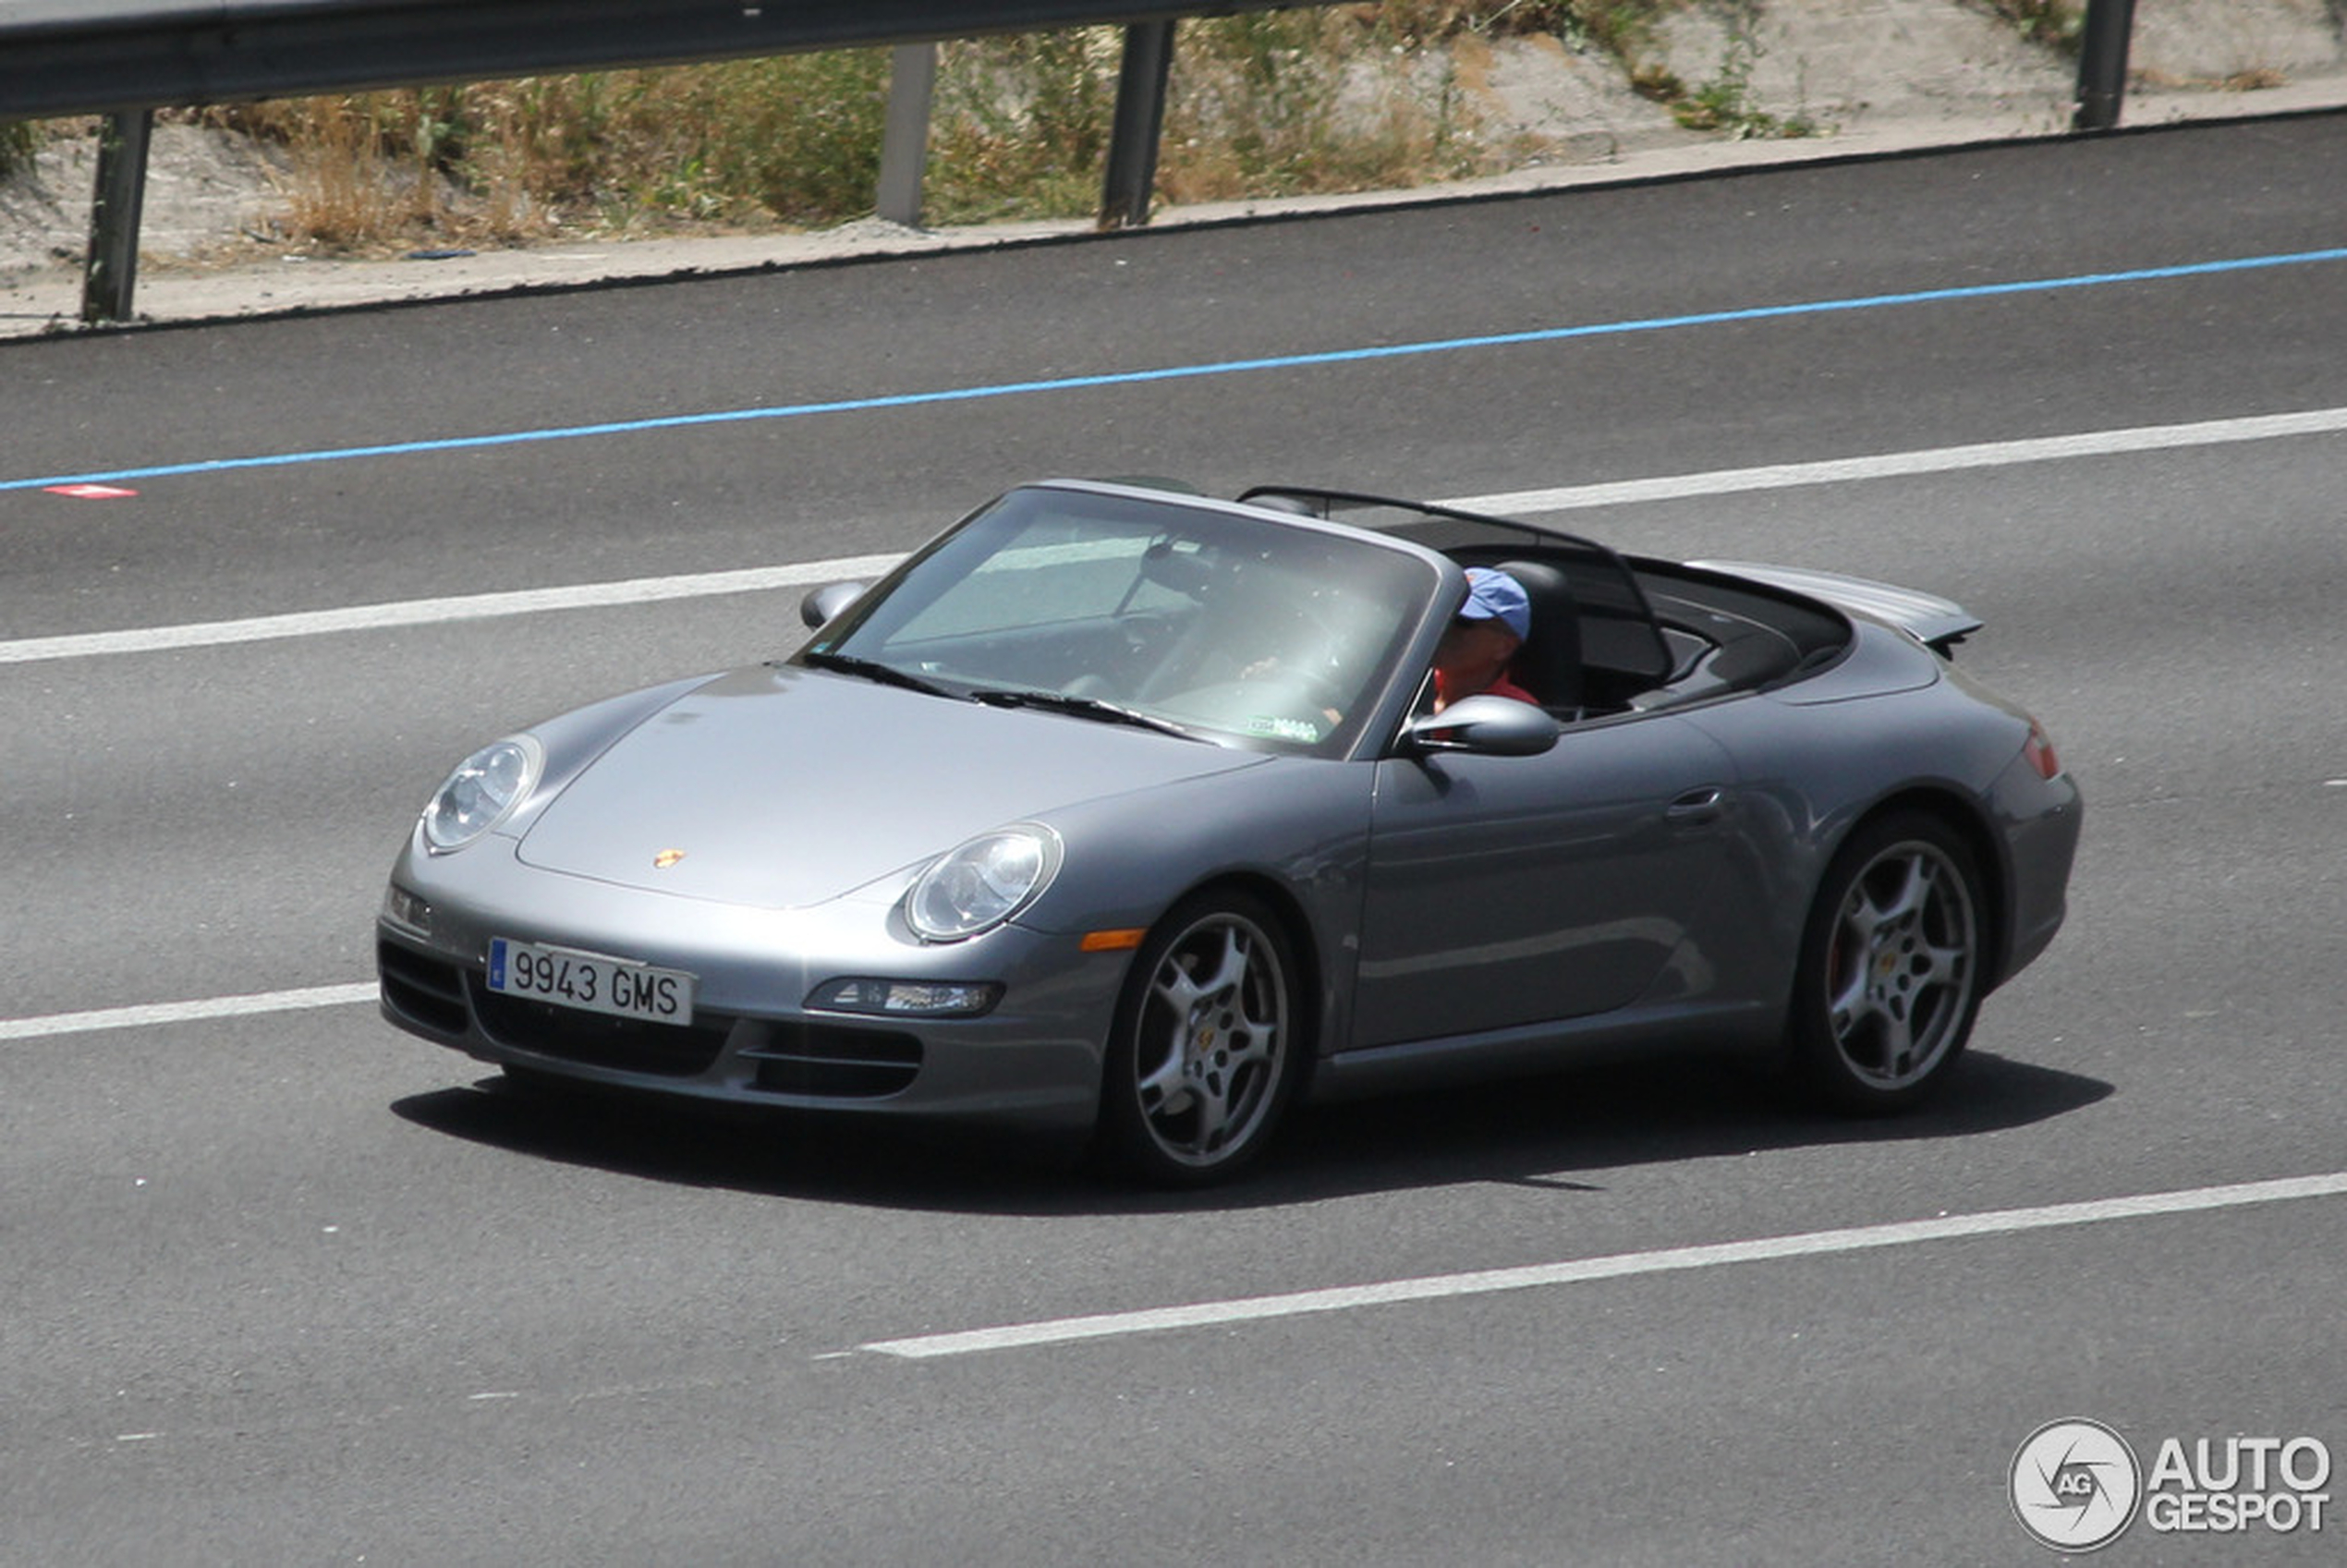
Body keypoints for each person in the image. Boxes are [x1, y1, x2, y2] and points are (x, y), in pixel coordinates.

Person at [1431, 566, 1538, 711]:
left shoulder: (1515, 713)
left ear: (1504, 647)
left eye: (1461, 622)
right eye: (1442, 615)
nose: (1444, 628)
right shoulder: (1403, 682)